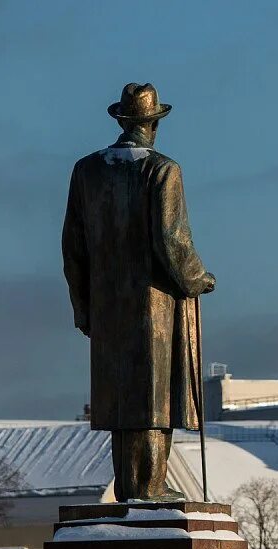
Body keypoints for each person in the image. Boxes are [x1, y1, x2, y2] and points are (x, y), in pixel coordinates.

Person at [62, 83, 215, 501]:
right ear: (153, 124)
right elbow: (172, 241)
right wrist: (198, 278)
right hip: (155, 306)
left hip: (107, 308)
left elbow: (72, 248)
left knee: (121, 402)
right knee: (154, 397)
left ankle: (131, 485)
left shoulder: (87, 170)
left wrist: (84, 307)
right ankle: (148, 487)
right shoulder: (162, 170)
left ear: (120, 121)